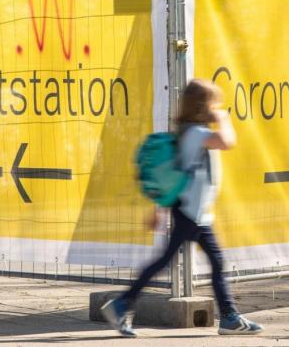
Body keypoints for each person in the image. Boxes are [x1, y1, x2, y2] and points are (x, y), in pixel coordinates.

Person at [101, 79, 264, 337]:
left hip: (196, 213)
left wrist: (160, 210)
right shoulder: (197, 134)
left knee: (206, 261)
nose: (218, 107)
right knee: (168, 261)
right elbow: (227, 141)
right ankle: (122, 304)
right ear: (203, 107)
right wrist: (223, 117)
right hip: (191, 213)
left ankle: (230, 318)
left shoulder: (188, 132)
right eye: (215, 103)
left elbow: (177, 176)